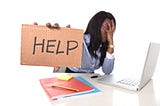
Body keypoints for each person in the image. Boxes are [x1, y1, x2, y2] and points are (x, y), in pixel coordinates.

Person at [34, 11, 116, 74]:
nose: (109, 32)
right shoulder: (80, 41)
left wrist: (110, 44)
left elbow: (107, 71)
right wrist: (51, 34)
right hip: (71, 76)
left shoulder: (104, 47)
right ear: (96, 26)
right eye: (106, 28)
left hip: (90, 81)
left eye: (112, 29)